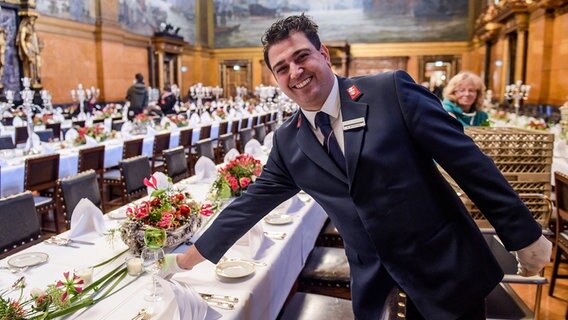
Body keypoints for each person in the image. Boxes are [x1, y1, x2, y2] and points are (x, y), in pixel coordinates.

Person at [162, 14, 551, 319]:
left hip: (444, 270)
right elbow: (249, 205)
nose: (295, 72)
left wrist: (523, 235)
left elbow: (469, 163)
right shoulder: (289, 140)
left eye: (302, 57)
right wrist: (185, 259)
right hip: (375, 285)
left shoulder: (390, 92)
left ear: (324, 54)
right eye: (282, 68)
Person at [17, 15, 42, 87]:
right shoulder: (24, 28)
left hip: (34, 49)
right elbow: (22, 40)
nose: (32, 22)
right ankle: (30, 82)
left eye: (34, 20)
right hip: (28, 48)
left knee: (37, 65)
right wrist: (26, 51)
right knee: (30, 65)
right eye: (31, 20)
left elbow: (36, 40)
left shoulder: (33, 29)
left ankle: (36, 80)